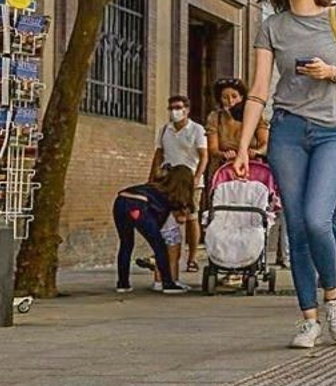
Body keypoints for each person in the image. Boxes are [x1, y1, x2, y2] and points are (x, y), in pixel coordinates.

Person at [231, 0, 336, 349]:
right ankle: (309, 318)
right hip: (287, 132)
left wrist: (332, 72)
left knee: (316, 219)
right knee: (295, 226)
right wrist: (243, 147)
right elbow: (258, 91)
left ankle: (333, 297)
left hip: (334, 132)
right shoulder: (272, 27)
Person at [113, 165, 195, 294]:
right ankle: (168, 284)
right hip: (138, 206)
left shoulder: (156, 187)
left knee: (126, 244)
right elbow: (174, 219)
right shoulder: (171, 196)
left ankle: (122, 284)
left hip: (120, 201)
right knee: (159, 247)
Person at [152, 93, 208, 273]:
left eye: (178, 108)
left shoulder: (197, 130)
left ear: (186, 110)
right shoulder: (164, 130)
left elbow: (204, 156)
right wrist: (152, 176)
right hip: (168, 181)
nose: (174, 112)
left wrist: (198, 176)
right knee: (165, 218)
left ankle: (192, 258)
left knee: (191, 218)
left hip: (189, 181)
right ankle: (163, 254)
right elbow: (159, 154)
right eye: (171, 108)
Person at [205, 77, 268, 184]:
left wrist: (257, 152)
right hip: (224, 169)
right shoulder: (215, 117)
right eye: (225, 97)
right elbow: (213, 148)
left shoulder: (255, 116)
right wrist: (223, 154)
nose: (230, 101)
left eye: (234, 96)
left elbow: (265, 143)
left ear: (242, 97)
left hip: (252, 168)